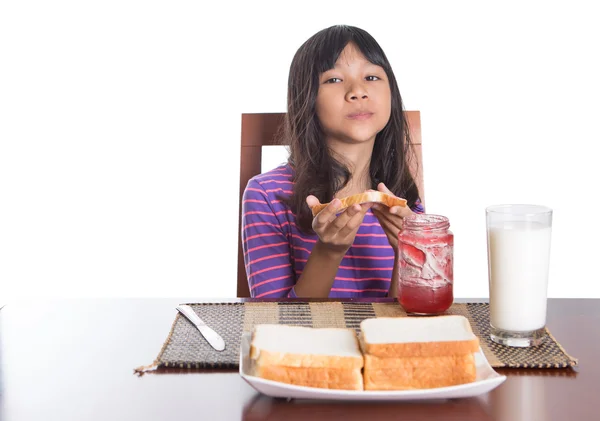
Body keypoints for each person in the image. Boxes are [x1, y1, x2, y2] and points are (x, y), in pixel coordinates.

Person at [242, 25, 424, 298]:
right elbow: (276, 326)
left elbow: (409, 325)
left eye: (372, 76)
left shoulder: (403, 198)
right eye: (334, 80)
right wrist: (328, 252)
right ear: (307, 99)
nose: (358, 92)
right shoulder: (267, 195)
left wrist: (406, 253)